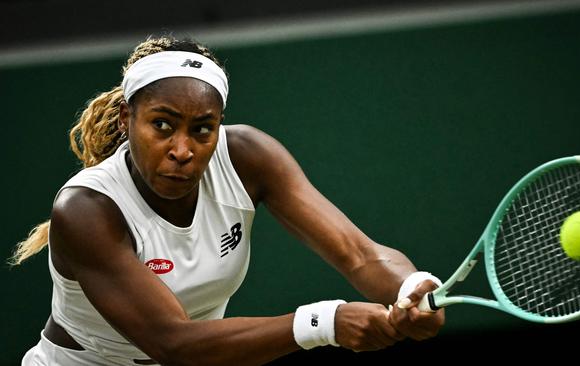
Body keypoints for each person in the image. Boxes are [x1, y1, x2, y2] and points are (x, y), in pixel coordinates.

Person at [12, 35, 444, 365]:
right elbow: (174, 343)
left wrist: (408, 287)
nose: (183, 149)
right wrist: (323, 322)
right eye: (162, 125)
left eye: (202, 128)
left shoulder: (247, 157)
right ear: (128, 119)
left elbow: (358, 253)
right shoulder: (86, 209)